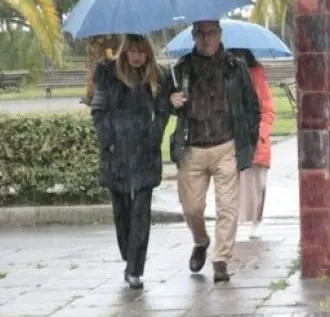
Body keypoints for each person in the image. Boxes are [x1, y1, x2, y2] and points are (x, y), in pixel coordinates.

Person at [169, 20, 261, 282]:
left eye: (211, 34)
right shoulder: (182, 69)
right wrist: (172, 101)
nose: (206, 39)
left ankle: (221, 260)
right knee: (191, 208)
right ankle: (201, 241)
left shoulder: (235, 67)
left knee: (228, 207)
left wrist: (248, 142)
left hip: (225, 145)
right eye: (201, 34)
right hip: (192, 147)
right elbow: (165, 107)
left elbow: (252, 106)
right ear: (193, 36)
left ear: (220, 35)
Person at [90, 34, 171, 290]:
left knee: (141, 211)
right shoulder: (108, 73)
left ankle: (135, 267)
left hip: (145, 148)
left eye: (142, 51)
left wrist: (155, 133)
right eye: (133, 51)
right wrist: (108, 140)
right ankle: (129, 254)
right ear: (125, 52)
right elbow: (98, 110)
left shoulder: (158, 76)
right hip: (117, 149)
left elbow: (163, 110)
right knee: (121, 209)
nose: (137, 56)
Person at [229, 49, 276, 240]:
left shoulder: (257, 76)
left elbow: (267, 110)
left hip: (257, 139)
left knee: (259, 182)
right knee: (232, 185)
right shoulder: (227, 76)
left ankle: (256, 221)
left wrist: (260, 134)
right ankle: (231, 223)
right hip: (233, 138)